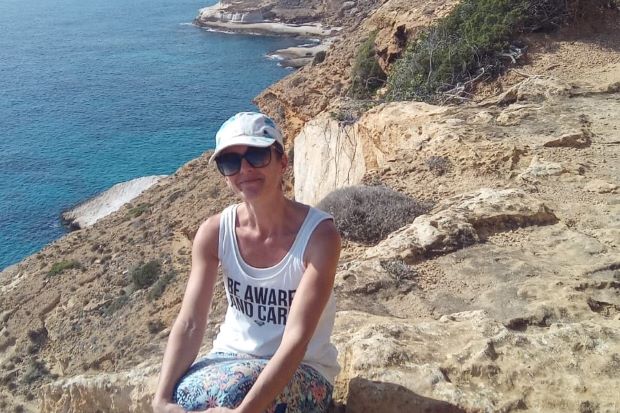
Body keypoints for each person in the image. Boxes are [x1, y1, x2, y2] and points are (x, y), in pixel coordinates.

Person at [152, 112, 341, 413]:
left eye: (256, 155)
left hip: (303, 369)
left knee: (232, 395)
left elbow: (296, 339)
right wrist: (161, 400)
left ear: (283, 162)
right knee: (185, 395)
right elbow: (190, 324)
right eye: (231, 162)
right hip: (229, 361)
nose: (245, 169)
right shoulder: (214, 232)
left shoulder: (319, 237)